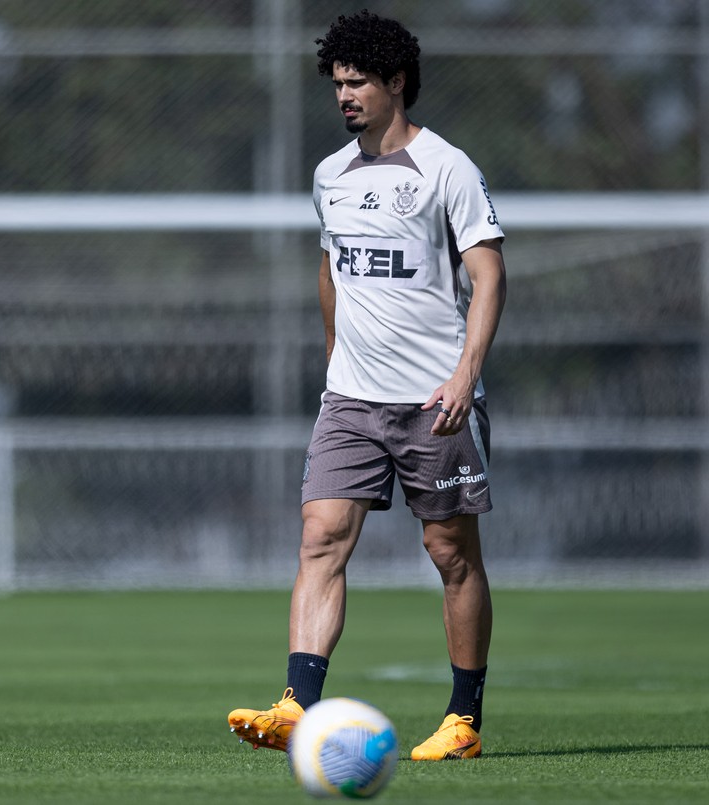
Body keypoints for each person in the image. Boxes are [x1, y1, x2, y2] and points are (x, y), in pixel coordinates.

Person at [228, 11, 506, 761]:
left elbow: (487, 276)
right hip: (351, 398)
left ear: (397, 82)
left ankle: (463, 719)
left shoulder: (447, 167)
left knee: (450, 552)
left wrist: (465, 375)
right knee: (320, 536)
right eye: (338, 84)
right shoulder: (330, 175)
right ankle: (297, 703)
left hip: (434, 399)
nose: (345, 96)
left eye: (358, 83)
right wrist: (334, 364)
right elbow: (331, 273)